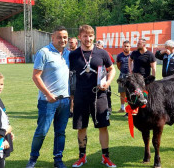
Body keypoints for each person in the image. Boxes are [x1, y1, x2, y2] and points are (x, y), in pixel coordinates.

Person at [69, 25, 116, 168]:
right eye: (84, 36)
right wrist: (71, 98)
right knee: (81, 127)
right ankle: (82, 157)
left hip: (99, 95)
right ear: (79, 37)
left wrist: (107, 82)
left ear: (93, 37)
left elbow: (112, 69)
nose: (88, 38)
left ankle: (105, 157)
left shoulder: (102, 53)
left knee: (103, 126)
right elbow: (69, 75)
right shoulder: (73, 55)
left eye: (90, 36)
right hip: (80, 96)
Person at [26, 26, 70, 168]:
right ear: (52, 37)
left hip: (65, 100)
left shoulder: (68, 54)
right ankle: (33, 159)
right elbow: (35, 76)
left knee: (60, 132)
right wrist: (48, 95)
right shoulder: (44, 52)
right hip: (48, 101)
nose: (62, 40)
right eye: (59, 37)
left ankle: (58, 159)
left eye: (65, 37)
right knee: (42, 132)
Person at [0, 72, 14, 159]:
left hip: (3, 134)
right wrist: (2, 139)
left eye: (2, 84)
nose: (0, 87)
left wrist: (9, 133)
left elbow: (3, 118)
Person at [96, 40, 115, 113]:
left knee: (107, 93)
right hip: (96, 76)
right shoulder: (93, 53)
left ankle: (109, 108)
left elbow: (111, 65)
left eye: (99, 45)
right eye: (96, 45)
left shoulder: (107, 54)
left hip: (105, 76)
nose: (97, 46)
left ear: (102, 46)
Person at [116, 40, 131, 113]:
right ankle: (122, 108)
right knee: (122, 92)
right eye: (125, 46)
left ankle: (131, 108)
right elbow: (118, 65)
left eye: (127, 46)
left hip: (131, 76)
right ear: (123, 46)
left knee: (131, 92)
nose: (126, 47)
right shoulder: (119, 56)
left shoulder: (132, 55)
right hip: (122, 75)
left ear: (130, 47)